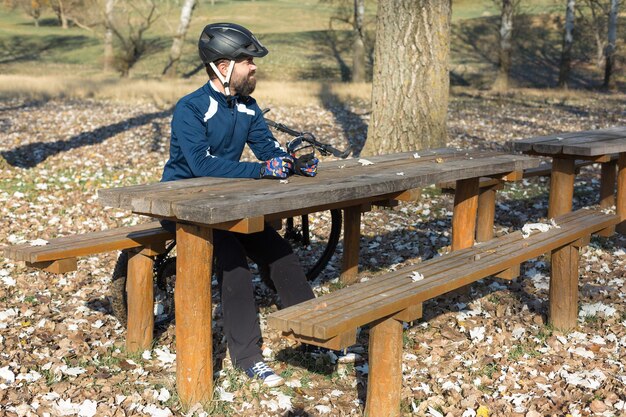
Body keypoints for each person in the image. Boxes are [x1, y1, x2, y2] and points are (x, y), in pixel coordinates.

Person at [160, 22, 320, 388]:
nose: (254, 67)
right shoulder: (191, 108)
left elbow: (268, 151)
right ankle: (248, 358)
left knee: (282, 255)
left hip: (226, 206)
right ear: (222, 66)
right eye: (247, 60)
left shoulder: (248, 106)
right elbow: (201, 166)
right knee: (233, 266)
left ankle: (313, 335)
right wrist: (262, 170)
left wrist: (296, 161)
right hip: (181, 207)